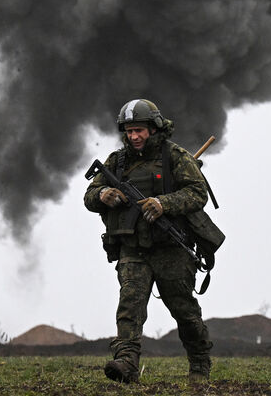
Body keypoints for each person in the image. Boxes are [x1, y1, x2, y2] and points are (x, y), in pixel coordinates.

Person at [84, 98, 213, 384]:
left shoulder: (175, 157)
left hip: (171, 251)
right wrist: (103, 194)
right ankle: (126, 363)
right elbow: (89, 195)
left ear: (154, 129)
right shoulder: (116, 162)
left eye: (139, 130)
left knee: (185, 312)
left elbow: (197, 192)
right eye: (129, 131)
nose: (134, 136)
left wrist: (164, 203)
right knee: (129, 309)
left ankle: (199, 363)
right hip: (133, 251)